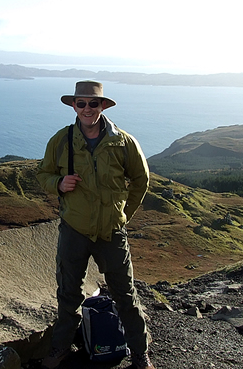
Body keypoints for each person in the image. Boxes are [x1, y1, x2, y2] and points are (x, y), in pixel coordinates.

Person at [36, 81, 155, 369]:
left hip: (111, 232)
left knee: (125, 295)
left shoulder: (124, 142)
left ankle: (140, 353)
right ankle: (60, 348)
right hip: (74, 230)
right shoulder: (61, 140)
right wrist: (59, 183)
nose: (87, 109)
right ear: (73, 106)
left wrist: (124, 213)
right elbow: (43, 174)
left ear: (103, 106)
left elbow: (142, 179)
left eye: (93, 103)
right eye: (81, 103)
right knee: (68, 293)